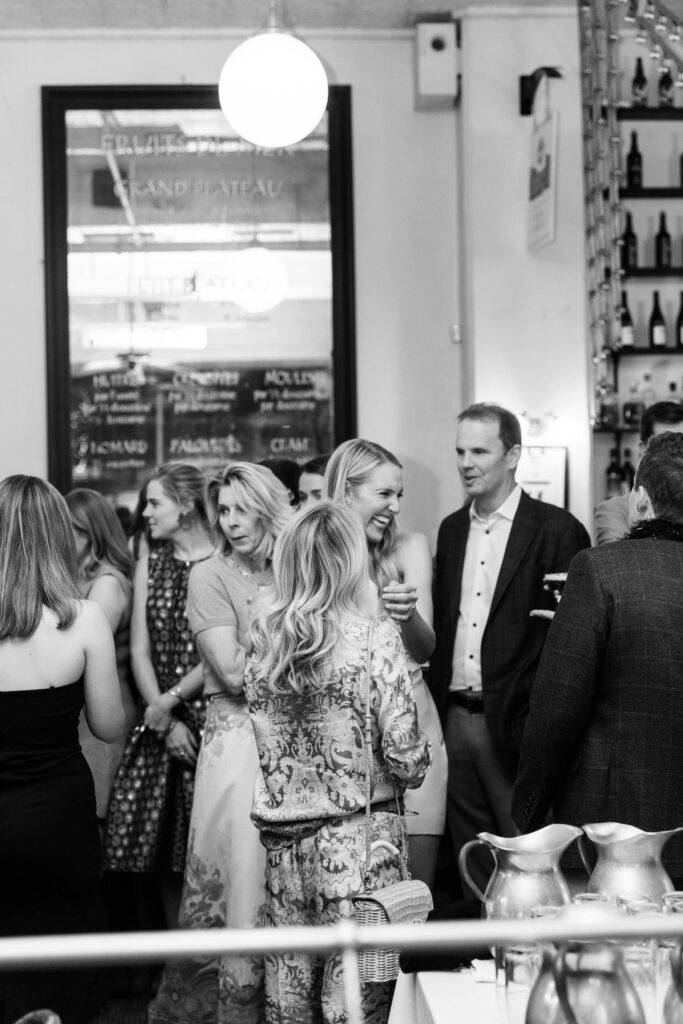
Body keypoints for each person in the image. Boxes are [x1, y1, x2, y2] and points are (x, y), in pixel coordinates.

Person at [245, 501, 431, 1024]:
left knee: (289, 1005)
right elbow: (406, 759)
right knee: (354, 1008)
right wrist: (418, 758)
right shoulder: (374, 637)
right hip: (361, 853)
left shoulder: (263, 644)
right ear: (351, 561)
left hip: (285, 852)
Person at [149, 462, 293, 1024]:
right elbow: (232, 673)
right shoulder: (208, 576)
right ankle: (232, 1007)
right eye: (223, 511)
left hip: (296, 741)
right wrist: (304, 648)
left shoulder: (295, 568)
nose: (230, 522)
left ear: (268, 509)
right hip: (237, 741)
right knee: (239, 868)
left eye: (242, 509)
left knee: (288, 874)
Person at [429, 403, 590, 897]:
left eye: (480, 451)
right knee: (471, 864)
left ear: (513, 455)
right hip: (455, 718)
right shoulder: (451, 530)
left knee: (530, 865)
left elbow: (571, 642)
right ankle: (482, 944)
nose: (466, 463)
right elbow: (445, 623)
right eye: (460, 451)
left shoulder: (557, 529)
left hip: (517, 724)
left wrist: (536, 718)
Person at [512, 431, 683, 886]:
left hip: (613, 831)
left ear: (641, 499)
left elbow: (556, 710)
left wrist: (528, 812)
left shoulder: (600, 568)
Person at [0, 475, 123, 1024]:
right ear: (56, 535)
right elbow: (109, 727)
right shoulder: (85, 618)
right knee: (58, 954)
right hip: (57, 814)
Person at [324, 438, 447, 891]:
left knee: (413, 893)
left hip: (413, 727)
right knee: (352, 892)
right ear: (346, 491)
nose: (395, 506)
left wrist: (407, 614)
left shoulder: (411, 547)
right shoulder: (317, 556)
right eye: (384, 494)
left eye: (399, 495)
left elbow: (425, 649)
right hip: (344, 742)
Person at [103, 462, 215, 930]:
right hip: (160, 722)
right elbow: (140, 650)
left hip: (210, 717)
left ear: (185, 505)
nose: (145, 513)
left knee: (209, 850)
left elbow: (226, 649)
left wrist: (170, 701)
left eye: (154, 502)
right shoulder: (151, 561)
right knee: (163, 852)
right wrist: (163, 717)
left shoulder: (223, 560)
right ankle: (176, 960)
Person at [65, 487, 136, 821]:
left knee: (95, 811)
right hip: (79, 709)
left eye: (70, 529)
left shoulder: (106, 582)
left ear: (92, 533)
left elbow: (85, 655)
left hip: (101, 707)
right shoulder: (76, 577)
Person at [594, 400, 683, 544]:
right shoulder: (615, 510)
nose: (678, 453)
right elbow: (615, 556)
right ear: (643, 449)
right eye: (664, 444)